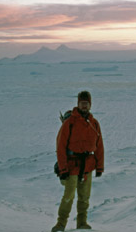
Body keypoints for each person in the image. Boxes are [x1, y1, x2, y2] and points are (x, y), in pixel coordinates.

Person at [52, 91, 104, 232]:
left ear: (90, 104)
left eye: (86, 103)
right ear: (78, 104)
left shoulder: (94, 123)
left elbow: (99, 146)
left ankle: (82, 223)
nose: (84, 106)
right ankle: (60, 224)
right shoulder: (70, 122)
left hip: (87, 165)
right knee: (69, 195)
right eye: (82, 103)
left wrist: (99, 167)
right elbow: (61, 146)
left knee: (84, 197)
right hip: (71, 165)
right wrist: (63, 169)